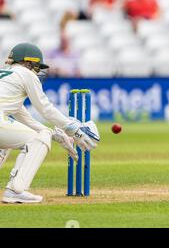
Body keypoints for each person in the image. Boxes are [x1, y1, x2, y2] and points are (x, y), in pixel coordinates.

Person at [0, 43, 100, 203]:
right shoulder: (26, 74)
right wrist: (73, 129)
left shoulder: (9, 79)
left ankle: (15, 189)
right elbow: (45, 108)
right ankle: (16, 190)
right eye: (37, 66)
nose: (38, 71)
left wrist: (57, 135)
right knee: (38, 138)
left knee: (9, 142)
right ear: (28, 62)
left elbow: (26, 120)